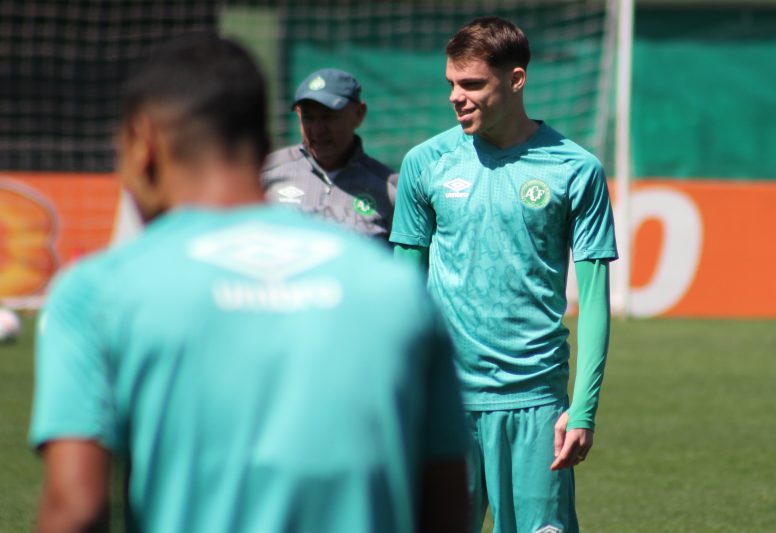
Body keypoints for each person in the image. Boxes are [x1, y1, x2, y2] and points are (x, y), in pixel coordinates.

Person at [29, 33, 469, 533]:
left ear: (143, 143)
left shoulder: (97, 292)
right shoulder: (399, 291)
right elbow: (445, 506)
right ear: (262, 141)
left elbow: (75, 508)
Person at [390, 17, 618, 533]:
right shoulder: (425, 163)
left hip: (536, 402)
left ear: (516, 80)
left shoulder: (575, 169)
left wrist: (582, 410)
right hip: (446, 404)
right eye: (451, 82)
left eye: (472, 84)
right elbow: (402, 298)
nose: (456, 96)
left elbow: (596, 302)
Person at [262, 68, 398, 241]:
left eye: (328, 117)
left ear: (359, 114)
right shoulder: (266, 174)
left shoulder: (391, 189)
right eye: (309, 118)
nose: (318, 130)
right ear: (298, 115)